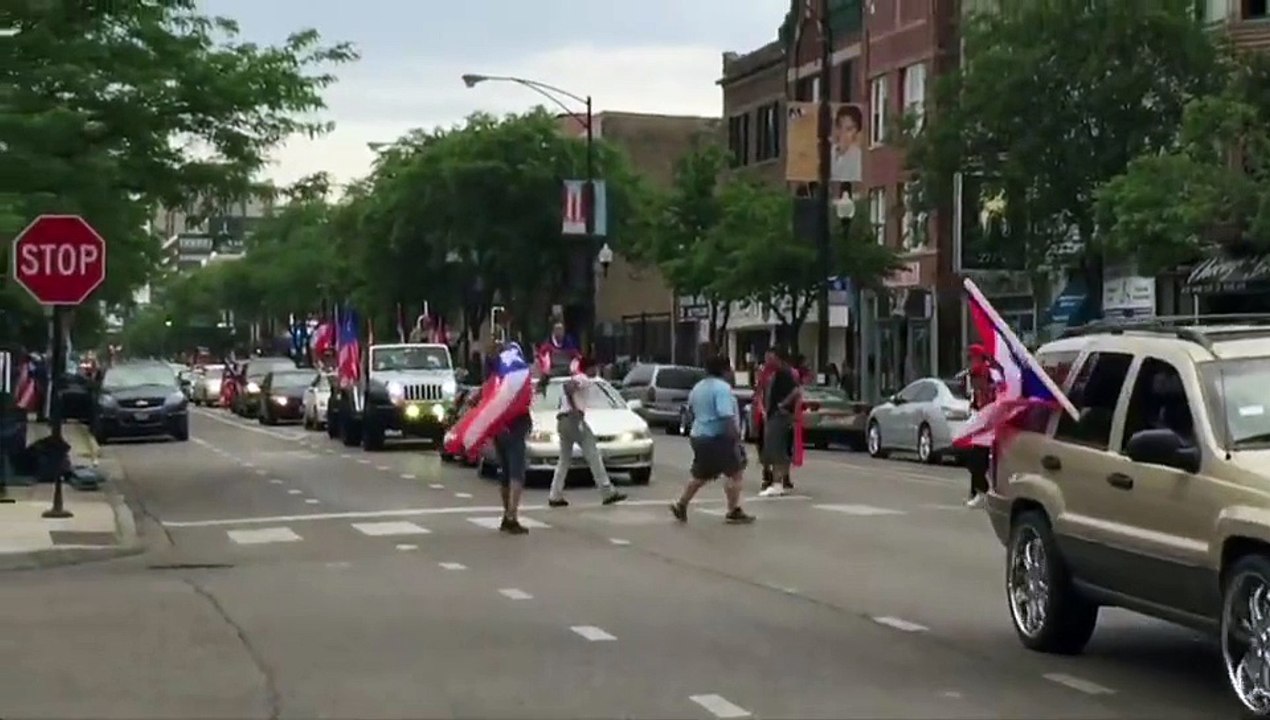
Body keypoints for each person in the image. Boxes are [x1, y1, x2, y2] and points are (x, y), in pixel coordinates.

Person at [670, 354, 754, 524]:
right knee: (735, 472)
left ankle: (681, 504)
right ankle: (733, 510)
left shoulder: (698, 388)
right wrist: (735, 437)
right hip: (718, 436)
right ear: (724, 370)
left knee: (702, 474)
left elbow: (692, 411)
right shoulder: (722, 388)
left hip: (699, 435)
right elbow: (725, 416)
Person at [547, 357, 627, 508]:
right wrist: (575, 408)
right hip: (574, 420)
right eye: (594, 367)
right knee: (593, 454)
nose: (596, 370)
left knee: (564, 459)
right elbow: (568, 387)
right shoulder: (583, 379)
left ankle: (555, 494)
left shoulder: (579, 377)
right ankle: (607, 491)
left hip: (563, 421)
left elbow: (568, 387)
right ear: (588, 368)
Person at [964, 344, 1004, 509]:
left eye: (972, 357)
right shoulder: (971, 375)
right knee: (973, 458)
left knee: (981, 460)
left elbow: (1001, 390)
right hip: (978, 420)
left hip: (990, 422)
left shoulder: (991, 373)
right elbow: (973, 396)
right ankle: (977, 491)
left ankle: (984, 491)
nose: (971, 361)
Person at [760, 348, 801, 497]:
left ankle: (777, 483)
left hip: (779, 415)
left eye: (770, 358)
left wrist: (783, 405)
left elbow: (797, 391)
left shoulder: (784, 373)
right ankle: (778, 481)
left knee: (776, 448)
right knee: (775, 448)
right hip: (774, 414)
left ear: (778, 358)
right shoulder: (774, 374)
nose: (767, 361)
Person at [830, 105, 864, 183]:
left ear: (856, 132)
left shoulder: (859, 158)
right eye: (840, 127)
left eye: (849, 129)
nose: (843, 133)